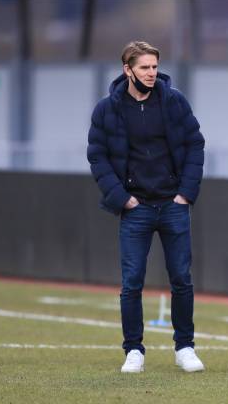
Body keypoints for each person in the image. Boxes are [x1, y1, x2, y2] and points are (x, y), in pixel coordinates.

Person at [87, 41, 205, 373]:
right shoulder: (107, 109)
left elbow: (195, 144)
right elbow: (98, 157)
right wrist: (122, 198)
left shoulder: (174, 102)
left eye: (155, 67)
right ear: (127, 69)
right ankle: (134, 351)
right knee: (132, 282)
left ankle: (185, 348)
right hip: (135, 208)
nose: (152, 73)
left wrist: (186, 193)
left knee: (181, 278)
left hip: (173, 205)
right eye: (144, 68)